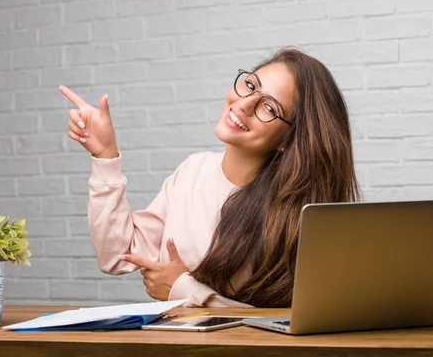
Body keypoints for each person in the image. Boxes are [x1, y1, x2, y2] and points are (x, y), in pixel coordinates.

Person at [61, 47, 361, 308]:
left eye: (269, 107)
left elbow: (284, 321)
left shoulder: (294, 214)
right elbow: (117, 254)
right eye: (250, 85)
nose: (243, 105)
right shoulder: (192, 171)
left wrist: (183, 290)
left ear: (289, 139)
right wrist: (105, 156)